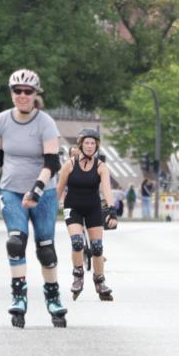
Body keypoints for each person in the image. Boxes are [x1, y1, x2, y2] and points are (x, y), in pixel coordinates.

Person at [0, 69, 67, 328]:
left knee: (46, 248)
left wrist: (37, 190)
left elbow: (52, 161)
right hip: (12, 190)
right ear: (11, 93)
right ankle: (19, 296)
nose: (22, 95)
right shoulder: (1, 121)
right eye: (16, 91)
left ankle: (52, 297)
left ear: (35, 94)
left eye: (27, 91)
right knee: (16, 242)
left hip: (44, 192)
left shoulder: (45, 123)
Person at [56, 128, 117, 302]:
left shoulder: (101, 166)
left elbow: (106, 189)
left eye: (93, 143)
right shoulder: (70, 164)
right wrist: (49, 207)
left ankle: (100, 281)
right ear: (81, 144)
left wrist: (111, 210)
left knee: (97, 247)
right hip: (72, 207)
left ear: (96, 146)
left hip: (93, 208)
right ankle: (78, 276)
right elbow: (59, 188)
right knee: (77, 242)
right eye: (86, 143)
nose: (89, 146)